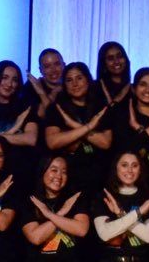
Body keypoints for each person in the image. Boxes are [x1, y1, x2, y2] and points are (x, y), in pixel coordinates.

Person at [18, 154, 97, 262]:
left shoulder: (75, 199)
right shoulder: (31, 201)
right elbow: (35, 237)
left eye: (64, 172)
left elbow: (81, 230)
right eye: (54, 170)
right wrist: (62, 213)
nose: (59, 176)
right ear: (43, 172)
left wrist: (50, 215)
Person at [42, 63, 113, 193]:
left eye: (79, 78)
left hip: (99, 174)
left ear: (88, 79)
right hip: (68, 176)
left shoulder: (101, 108)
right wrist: (90, 127)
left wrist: (73, 127)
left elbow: (105, 142)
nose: (75, 84)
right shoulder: (56, 109)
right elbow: (53, 142)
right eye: (69, 80)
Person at [0, 61, 40, 197]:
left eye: (14, 80)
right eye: (4, 78)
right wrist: (15, 130)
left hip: (21, 174)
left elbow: (30, 139)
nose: (9, 84)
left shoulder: (25, 108)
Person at [25, 48, 65, 119]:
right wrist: (52, 93)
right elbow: (40, 115)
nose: (53, 70)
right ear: (41, 70)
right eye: (47, 66)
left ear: (64, 65)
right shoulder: (32, 87)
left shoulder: (72, 85)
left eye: (57, 64)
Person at [96, 41, 132, 106]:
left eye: (119, 56)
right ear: (103, 64)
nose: (116, 61)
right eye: (110, 58)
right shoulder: (95, 89)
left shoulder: (134, 90)